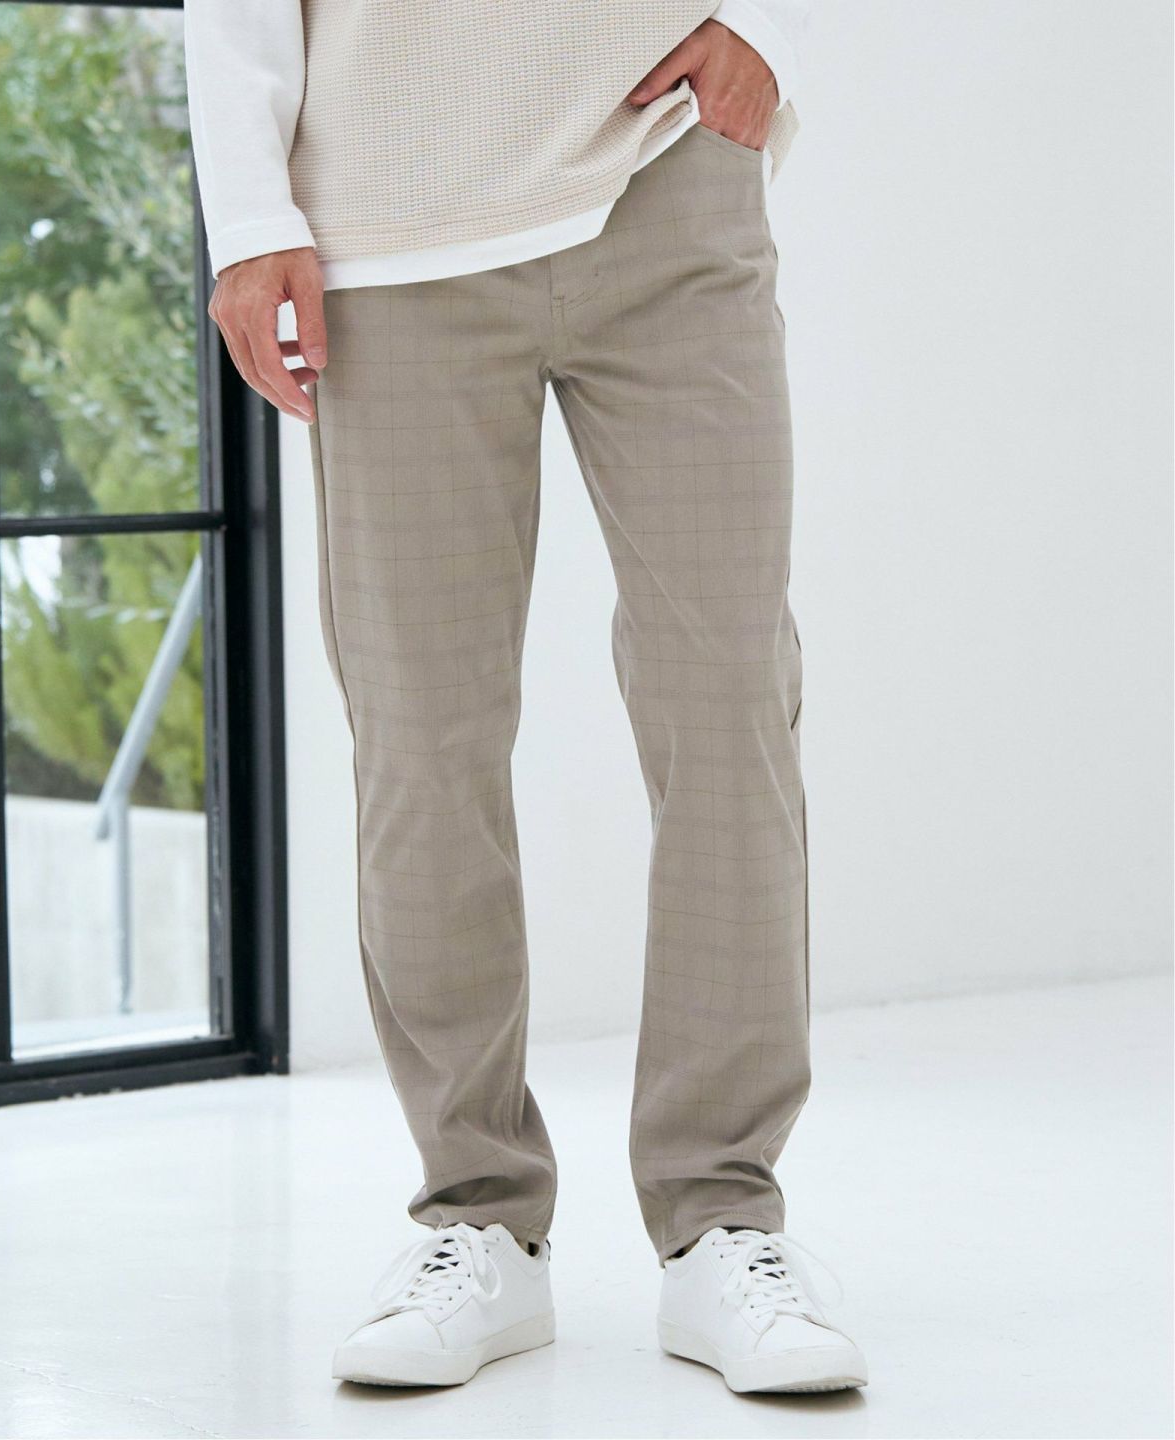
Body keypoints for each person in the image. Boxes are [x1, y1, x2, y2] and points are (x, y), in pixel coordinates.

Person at [185, 0, 868, 1396]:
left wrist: (773, 34)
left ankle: (723, 1216)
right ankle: (478, 1217)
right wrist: (249, 215)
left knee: (729, 698)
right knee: (419, 730)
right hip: (389, 222)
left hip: (666, 171)